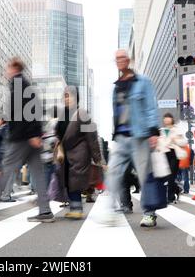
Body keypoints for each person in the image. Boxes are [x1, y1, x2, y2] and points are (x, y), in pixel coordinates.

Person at [103, 50, 161, 228]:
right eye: (117, 58)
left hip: (139, 136)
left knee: (144, 175)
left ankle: (149, 213)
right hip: (121, 137)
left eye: (122, 58)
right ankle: (110, 211)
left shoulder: (143, 82)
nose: (119, 60)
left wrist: (153, 132)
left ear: (128, 61)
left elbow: (151, 107)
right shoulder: (116, 86)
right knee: (113, 172)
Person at [0, 57, 54, 223]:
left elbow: (32, 110)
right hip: (30, 136)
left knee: (7, 167)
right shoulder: (23, 85)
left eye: (7, 67)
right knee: (37, 173)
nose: (5, 71)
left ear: (14, 68)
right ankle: (45, 211)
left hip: (22, 137)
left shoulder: (19, 85)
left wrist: (32, 134)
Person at [55, 87, 102, 220]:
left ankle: (77, 209)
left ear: (76, 98)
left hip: (79, 152)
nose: (67, 99)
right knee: (67, 180)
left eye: (70, 96)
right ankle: (75, 207)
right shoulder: (62, 115)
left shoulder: (82, 114)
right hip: (65, 153)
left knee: (74, 180)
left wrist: (97, 157)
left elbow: (92, 136)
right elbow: (58, 134)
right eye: (65, 96)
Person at [158, 113, 187, 204]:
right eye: (165, 118)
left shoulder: (177, 130)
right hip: (164, 154)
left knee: (171, 176)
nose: (166, 120)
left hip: (174, 153)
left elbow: (184, 142)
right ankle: (177, 189)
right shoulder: (161, 131)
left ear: (172, 119)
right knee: (165, 176)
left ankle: (170, 197)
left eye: (168, 118)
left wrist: (176, 140)